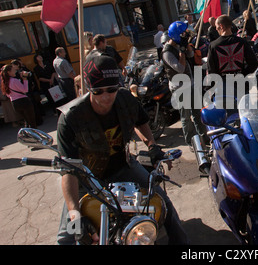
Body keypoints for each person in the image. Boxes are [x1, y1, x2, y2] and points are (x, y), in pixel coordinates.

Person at [56, 54, 188, 245]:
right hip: (86, 177)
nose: (107, 96)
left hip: (123, 166)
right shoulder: (70, 118)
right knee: (66, 237)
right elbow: (68, 171)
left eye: (111, 89)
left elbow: (141, 121)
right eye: (98, 91)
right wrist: (75, 216)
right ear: (88, 88)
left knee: (163, 203)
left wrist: (151, 145)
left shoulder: (125, 98)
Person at [161, 21, 206, 151]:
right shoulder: (167, 52)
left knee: (197, 112)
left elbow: (191, 56)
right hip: (179, 88)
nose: (185, 36)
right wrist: (181, 52)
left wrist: (187, 47)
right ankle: (191, 141)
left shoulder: (180, 45)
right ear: (176, 35)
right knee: (186, 117)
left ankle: (203, 137)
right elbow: (180, 68)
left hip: (190, 83)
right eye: (182, 35)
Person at [1, 64, 37, 128]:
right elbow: (25, 90)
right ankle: (36, 135)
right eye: (14, 70)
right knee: (32, 122)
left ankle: (27, 135)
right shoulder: (14, 80)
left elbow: (8, 94)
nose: (15, 72)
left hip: (15, 103)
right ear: (9, 72)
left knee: (26, 121)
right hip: (24, 101)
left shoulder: (5, 82)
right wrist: (25, 79)